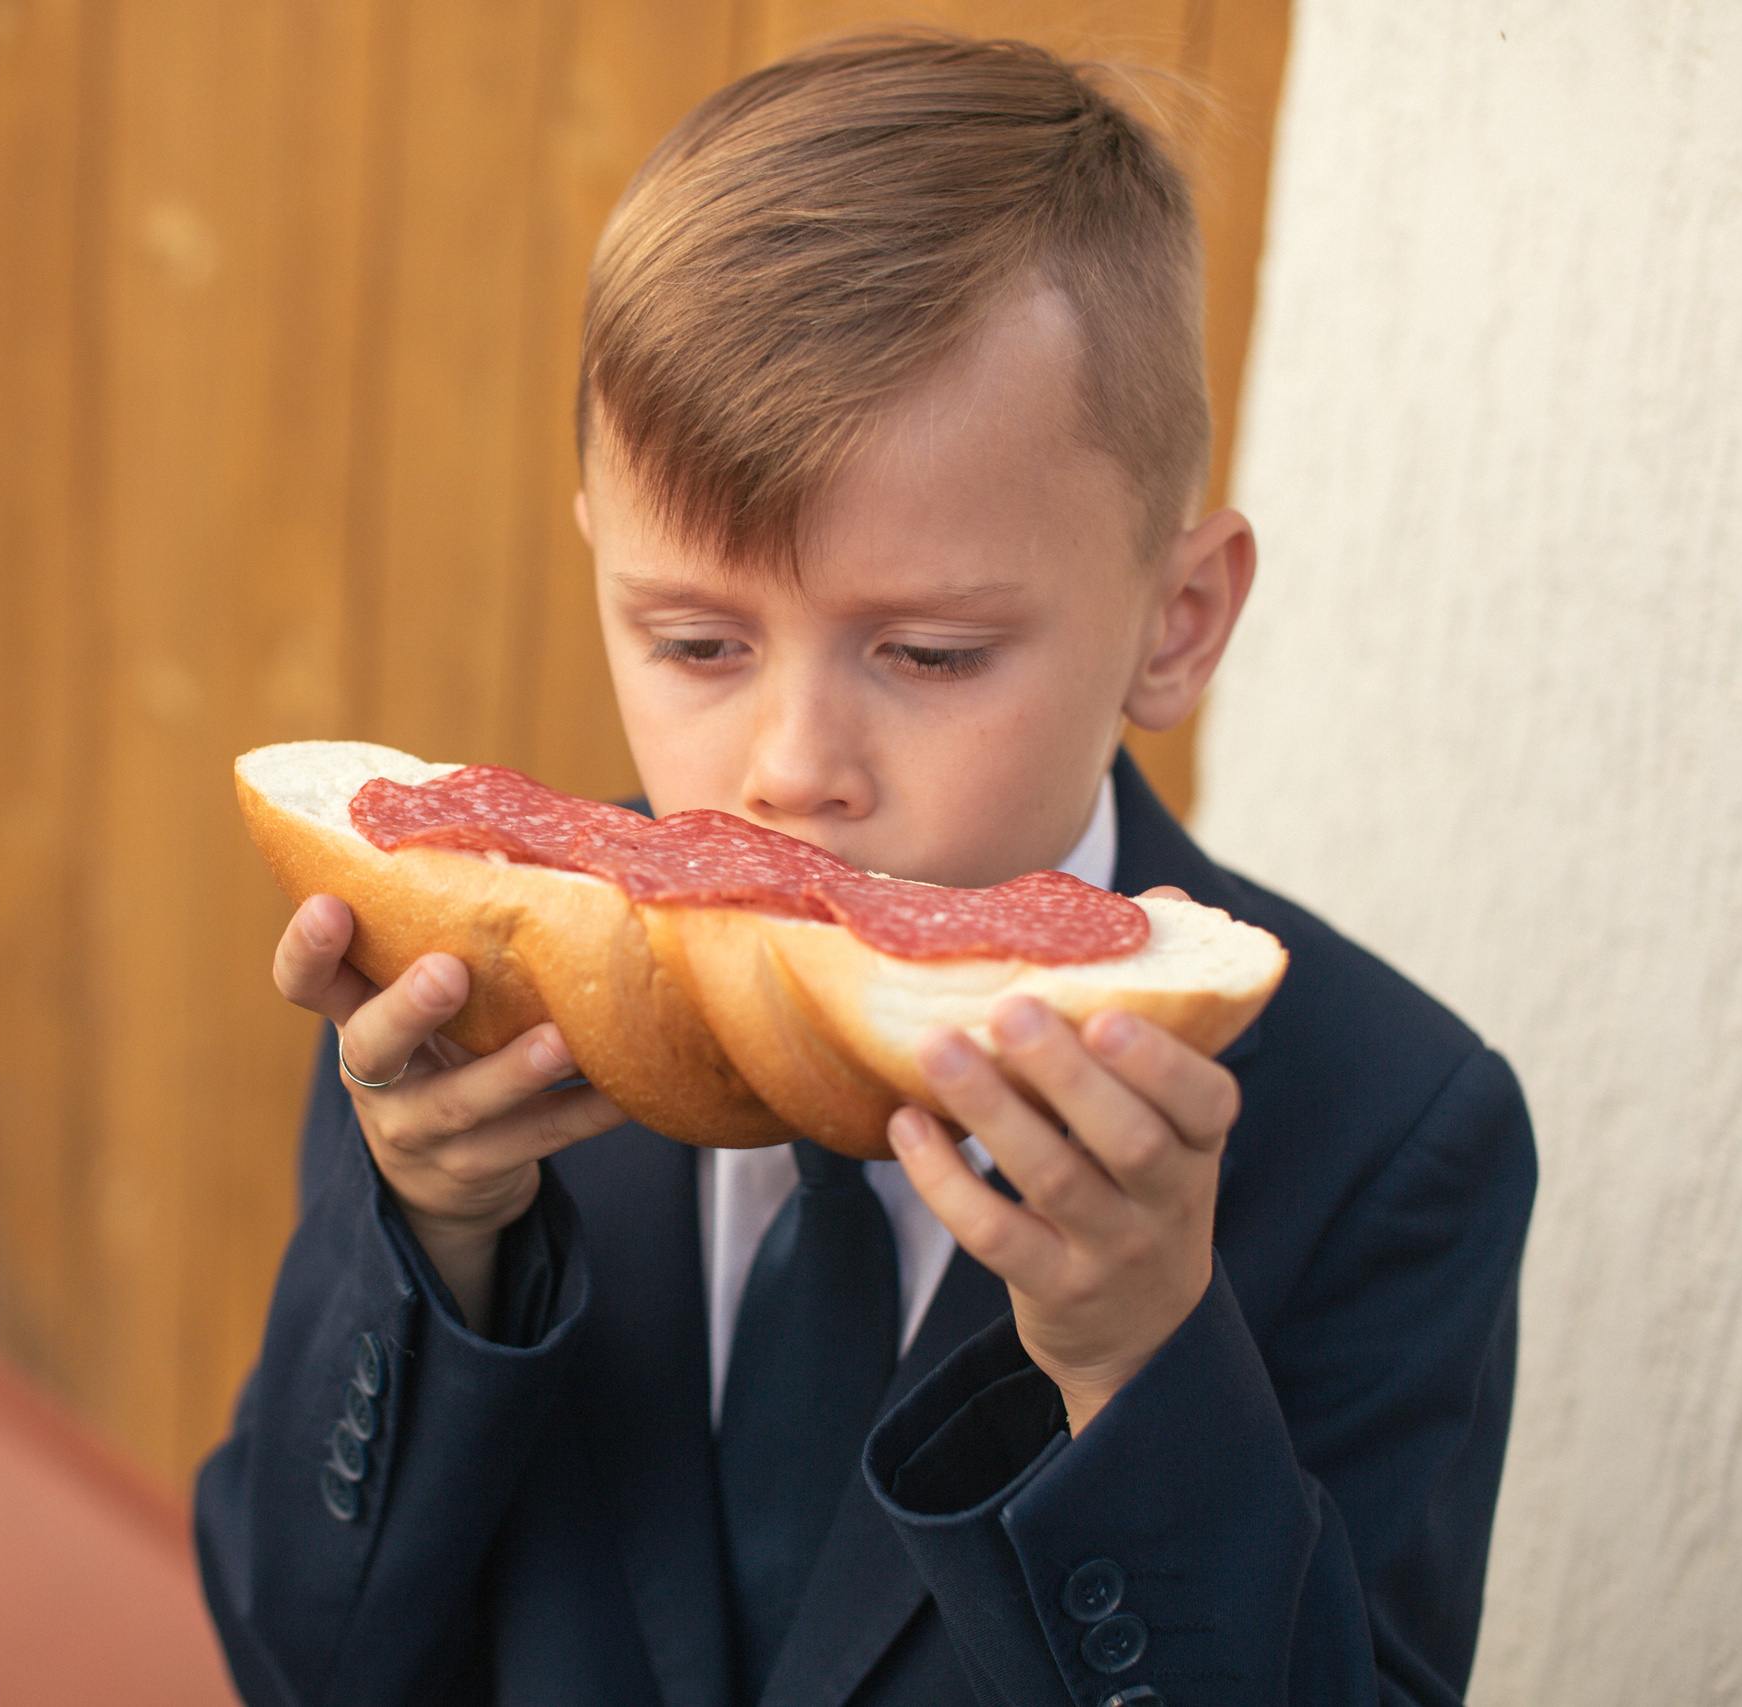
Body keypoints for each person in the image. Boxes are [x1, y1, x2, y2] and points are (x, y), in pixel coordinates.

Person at [195, 30, 1535, 1707]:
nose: (787, 771)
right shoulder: (462, 1027)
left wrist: (1142, 1368)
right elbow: (296, 1658)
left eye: (925, 654)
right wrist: (438, 1246)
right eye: (694, 641)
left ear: (1175, 626)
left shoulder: (1389, 1133)